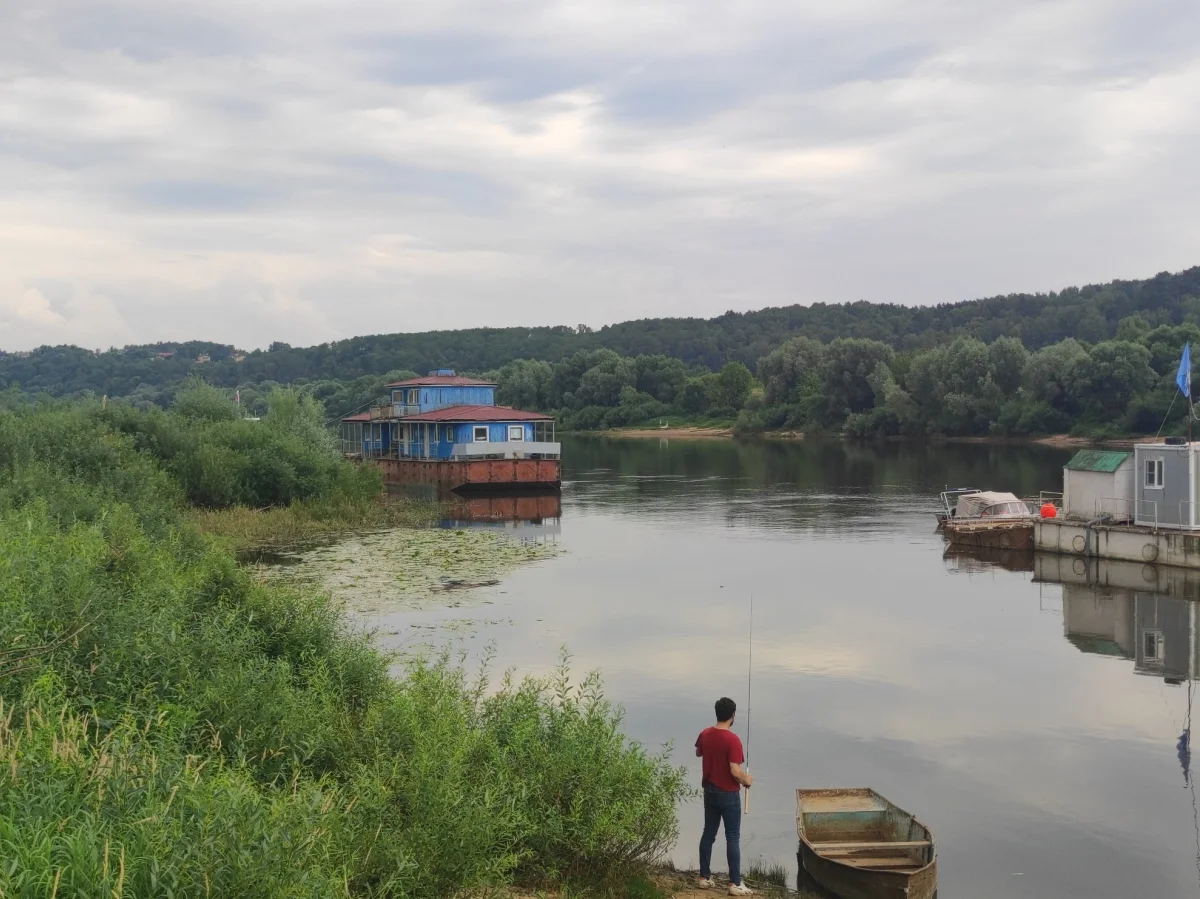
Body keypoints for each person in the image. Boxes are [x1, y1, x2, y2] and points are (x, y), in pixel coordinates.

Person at [695, 696, 753, 895]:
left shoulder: (705, 734)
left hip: (709, 791)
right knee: (733, 837)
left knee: (708, 833)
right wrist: (747, 780)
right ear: (732, 716)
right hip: (728, 794)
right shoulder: (733, 740)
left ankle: (704, 877)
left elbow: (698, 753)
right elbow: (735, 771)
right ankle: (734, 883)